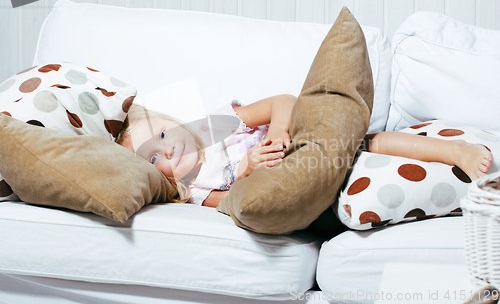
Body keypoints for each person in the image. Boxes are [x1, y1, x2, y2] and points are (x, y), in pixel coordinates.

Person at [116, 95, 492, 208]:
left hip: (305, 137)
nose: (167, 150)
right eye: (152, 158)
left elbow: (283, 101)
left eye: (163, 134)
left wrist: (279, 131)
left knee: (372, 143)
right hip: (301, 176)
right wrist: (246, 172)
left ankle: (455, 150)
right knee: (355, 159)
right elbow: (233, 203)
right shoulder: (195, 190)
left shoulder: (213, 126)